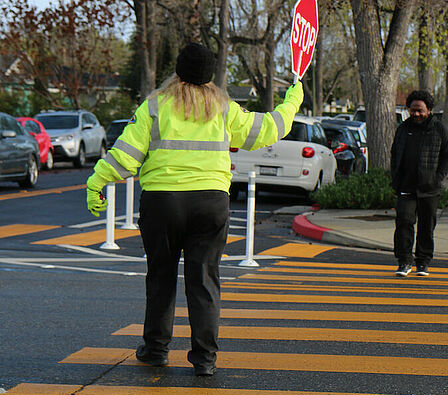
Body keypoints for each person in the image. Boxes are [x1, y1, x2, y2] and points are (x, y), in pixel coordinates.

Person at [84, 43, 303, 376]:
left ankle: (156, 350)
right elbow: (268, 130)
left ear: (177, 70)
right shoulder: (224, 108)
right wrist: (292, 101)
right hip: (211, 203)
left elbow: (126, 153)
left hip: (163, 203)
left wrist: (97, 182)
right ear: (211, 75)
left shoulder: (155, 106)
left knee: (161, 276)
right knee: (204, 280)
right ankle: (204, 359)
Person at [390, 90, 448, 277]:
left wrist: (438, 177)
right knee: (404, 223)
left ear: (429, 110)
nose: (416, 114)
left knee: (426, 227)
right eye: (413, 110)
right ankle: (404, 262)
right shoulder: (403, 129)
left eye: (420, 110)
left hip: (429, 188)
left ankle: (423, 262)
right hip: (406, 186)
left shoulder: (439, 129)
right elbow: (395, 154)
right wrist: (396, 177)